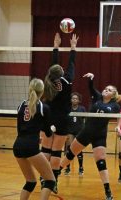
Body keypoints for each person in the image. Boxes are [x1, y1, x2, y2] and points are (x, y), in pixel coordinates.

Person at [60, 72, 121, 200]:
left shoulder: (114, 106)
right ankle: (56, 173)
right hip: (86, 131)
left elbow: (117, 114)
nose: (106, 90)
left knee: (101, 161)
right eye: (105, 88)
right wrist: (91, 79)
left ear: (113, 95)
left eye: (109, 90)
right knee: (70, 154)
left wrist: (118, 126)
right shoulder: (97, 97)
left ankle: (108, 191)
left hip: (100, 134)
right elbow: (91, 88)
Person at [40, 33, 79, 187]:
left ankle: (43, 177)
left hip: (48, 117)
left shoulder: (48, 80)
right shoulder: (67, 79)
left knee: (46, 149)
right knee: (57, 151)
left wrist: (56, 46)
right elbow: (71, 64)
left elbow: (54, 65)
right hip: (62, 118)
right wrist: (73, 47)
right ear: (61, 72)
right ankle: (53, 181)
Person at [13, 78, 56, 200]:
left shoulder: (21, 105)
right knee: (50, 180)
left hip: (18, 145)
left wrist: (35, 137)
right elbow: (48, 133)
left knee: (30, 181)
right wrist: (52, 129)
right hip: (30, 146)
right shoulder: (43, 108)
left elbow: (21, 128)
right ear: (42, 91)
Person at [64, 92, 86, 176]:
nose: (74, 100)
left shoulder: (82, 109)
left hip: (79, 131)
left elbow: (84, 121)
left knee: (78, 149)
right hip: (69, 131)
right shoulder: (68, 108)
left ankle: (81, 167)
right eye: (73, 98)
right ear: (70, 100)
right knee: (69, 148)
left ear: (79, 100)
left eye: (76, 98)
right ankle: (67, 167)